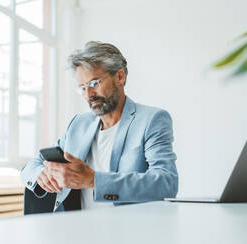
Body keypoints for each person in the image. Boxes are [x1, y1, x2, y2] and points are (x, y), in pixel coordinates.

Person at [20, 41, 178, 212]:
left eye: (95, 83)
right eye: (82, 87)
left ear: (119, 77)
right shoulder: (78, 124)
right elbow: (32, 165)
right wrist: (40, 175)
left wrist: (93, 180)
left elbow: (166, 183)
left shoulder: (151, 120)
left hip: (129, 230)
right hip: (75, 230)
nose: (89, 94)